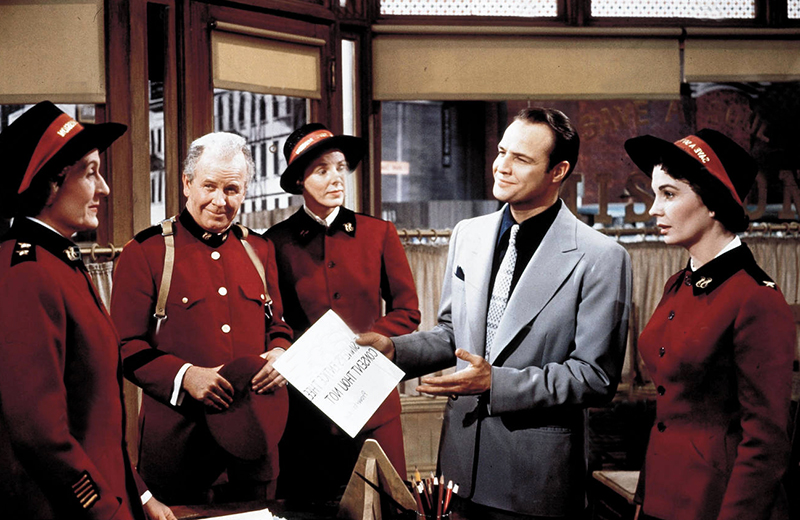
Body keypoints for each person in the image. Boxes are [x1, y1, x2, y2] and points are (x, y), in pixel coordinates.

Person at [358, 108, 632, 519]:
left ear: (558, 171)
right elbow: (454, 334)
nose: (502, 166)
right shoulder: (468, 234)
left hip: (536, 479)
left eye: (520, 159)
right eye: (502, 152)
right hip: (458, 469)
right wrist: (395, 349)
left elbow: (595, 377)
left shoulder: (601, 256)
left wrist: (496, 383)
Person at [0, 101, 174, 520]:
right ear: (51, 184)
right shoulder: (28, 273)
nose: (105, 189)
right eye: (91, 172)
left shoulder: (58, 262)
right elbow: (39, 434)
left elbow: (95, 421)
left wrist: (139, 495)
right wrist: (105, 510)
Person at [110, 132, 292, 505]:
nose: (220, 201)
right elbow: (124, 346)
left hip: (254, 454)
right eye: (209, 186)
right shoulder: (146, 252)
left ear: (245, 191)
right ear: (187, 184)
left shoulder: (259, 249)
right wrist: (185, 376)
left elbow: (278, 326)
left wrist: (280, 354)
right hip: (178, 456)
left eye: (232, 189)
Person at [624, 129, 794, 520]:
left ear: (714, 202)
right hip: (661, 499)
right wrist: (643, 500)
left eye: (669, 194)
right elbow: (668, 415)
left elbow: (766, 442)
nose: (654, 210)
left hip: (716, 505)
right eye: (655, 194)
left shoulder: (756, 297)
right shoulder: (677, 283)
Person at [264, 123, 420, 501]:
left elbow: (407, 310)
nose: (336, 178)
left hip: (373, 402)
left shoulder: (378, 233)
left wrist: (370, 339)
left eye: (340, 167)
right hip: (306, 411)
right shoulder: (275, 243)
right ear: (300, 181)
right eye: (322, 170)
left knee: (386, 507)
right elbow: (275, 320)